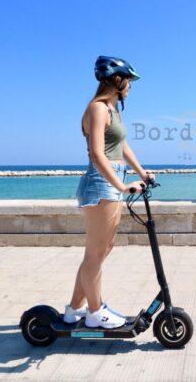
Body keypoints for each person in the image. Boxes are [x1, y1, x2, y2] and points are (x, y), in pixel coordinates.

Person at [65, 56, 155, 329]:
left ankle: (74, 309)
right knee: (95, 253)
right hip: (101, 183)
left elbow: (122, 147)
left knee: (104, 248)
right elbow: (96, 153)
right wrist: (121, 185)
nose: (131, 86)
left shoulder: (113, 110)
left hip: (112, 180)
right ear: (117, 80)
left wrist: (142, 173)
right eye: (129, 81)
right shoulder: (97, 108)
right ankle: (95, 311)